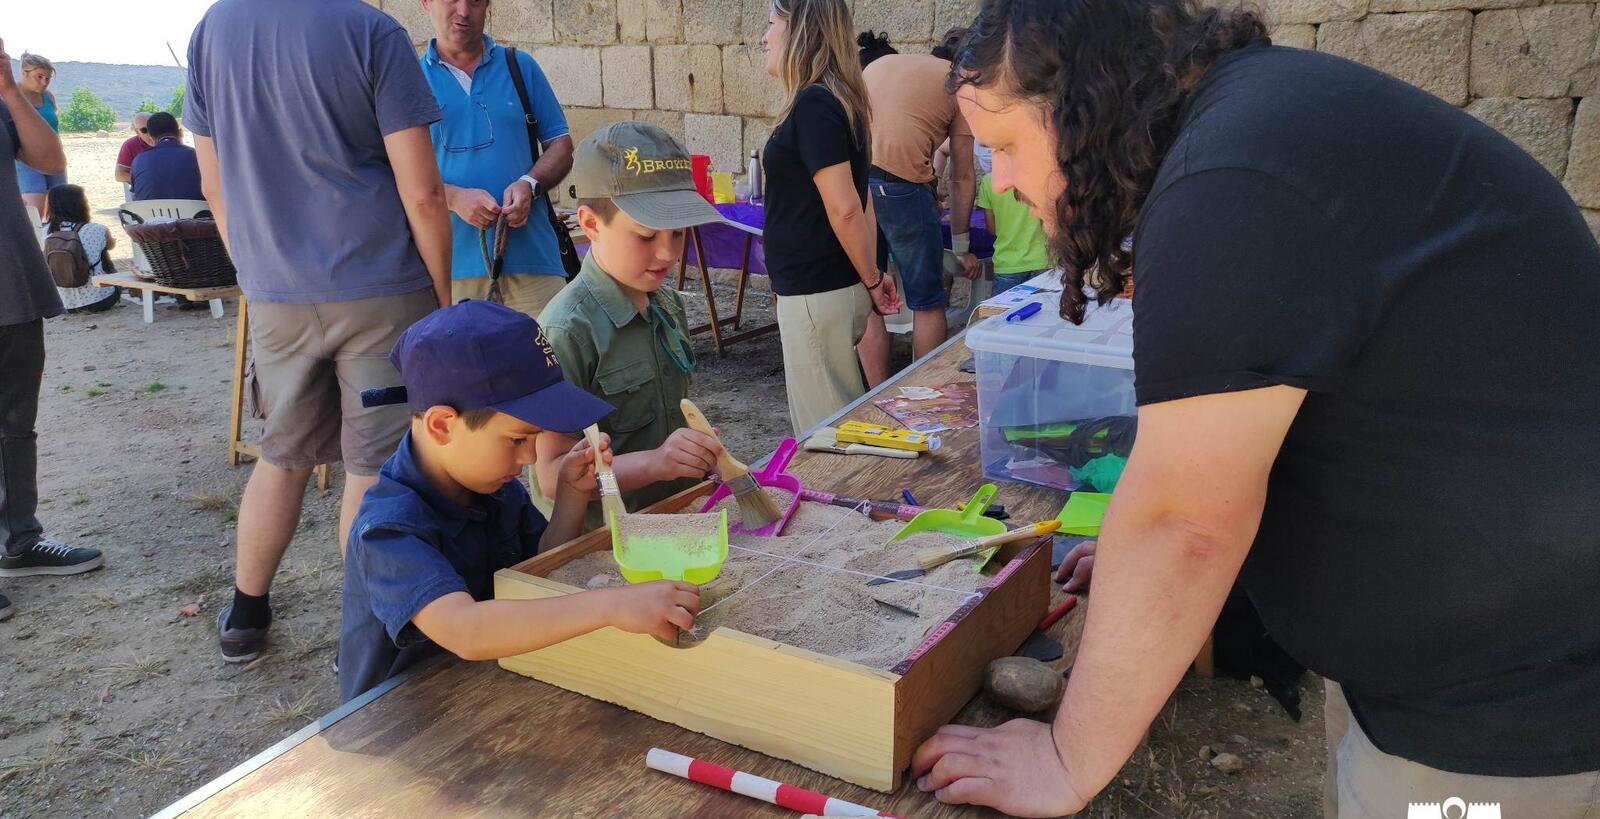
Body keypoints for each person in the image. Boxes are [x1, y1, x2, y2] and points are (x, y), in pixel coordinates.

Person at [911, 1, 1600, 817]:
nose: (998, 181)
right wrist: (1141, 581)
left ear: (1082, 107)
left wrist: (1066, 757)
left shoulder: (1224, 181)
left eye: (1004, 145)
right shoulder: (1252, 124)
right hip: (1451, 661)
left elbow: (1182, 522)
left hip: (1507, 708)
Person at [186, 0, 454, 663]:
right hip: (381, 288)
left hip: (276, 292)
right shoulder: (372, 31)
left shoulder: (213, 29)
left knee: (282, 454)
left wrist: (256, 274)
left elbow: (213, 185)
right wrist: (442, 297)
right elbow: (423, 192)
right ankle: (366, 636)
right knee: (374, 468)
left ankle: (246, 613)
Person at [338, 299, 700, 702]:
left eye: (535, 438)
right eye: (517, 439)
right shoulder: (389, 527)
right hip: (406, 709)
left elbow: (540, 565)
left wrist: (571, 496)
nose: (529, 458)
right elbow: (465, 629)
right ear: (442, 425)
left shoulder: (492, 484)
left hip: (496, 679)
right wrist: (611, 605)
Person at [535, 122, 727, 527]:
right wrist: (655, 464)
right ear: (590, 224)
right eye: (646, 236)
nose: (668, 254)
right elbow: (552, 477)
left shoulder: (667, 303)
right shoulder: (566, 331)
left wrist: (693, 452)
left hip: (676, 515)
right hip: (608, 536)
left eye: (677, 234)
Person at [0, 37, 104, 623]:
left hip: (11, 280)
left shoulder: (7, 100)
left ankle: (20, 540)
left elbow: (47, 157)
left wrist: (11, 92)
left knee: (15, 424)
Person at [760, 0, 899, 436]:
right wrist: (871, 275)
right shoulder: (836, 101)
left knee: (825, 437)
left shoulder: (814, 104)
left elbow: (847, 207)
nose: (764, 38)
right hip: (828, 290)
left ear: (799, 31)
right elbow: (861, 199)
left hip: (816, 294)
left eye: (771, 24)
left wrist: (872, 277)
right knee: (838, 425)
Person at [419, 0, 576, 319]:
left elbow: (560, 146)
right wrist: (453, 198)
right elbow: (389, 172)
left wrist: (529, 184)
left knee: (550, 350)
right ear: (425, 3)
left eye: (475, 1)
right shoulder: (410, 80)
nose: (464, 11)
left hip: (535, 264)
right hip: (448, 273)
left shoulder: (520, 67)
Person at [858, 48, 979, 385]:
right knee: (927, 301)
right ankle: (922, 395)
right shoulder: (960, 83)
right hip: (903, 187)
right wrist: (960, 248)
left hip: (855, 183)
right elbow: (962, 176)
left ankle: (876, 395)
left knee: (870, 297)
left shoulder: (885, 64)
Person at [43, 184, 120, 313]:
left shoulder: (45, 232)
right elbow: (111, 245)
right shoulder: (97, 229)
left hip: (63, 304)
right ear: (81, 204)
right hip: (101, 299)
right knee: (103, 253)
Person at [975, 171, 1048, 296]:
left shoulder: (989, 181)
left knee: (1003, 308)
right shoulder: (1042, 175)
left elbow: (992, 228)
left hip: (1007, 263)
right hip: (1043, 260)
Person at [13, 53, 61, 217]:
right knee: (35, 212)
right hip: (25, 161)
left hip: (54, 158)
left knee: (60, 211)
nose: (44, 82)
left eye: (47, 78)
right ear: (24, 73)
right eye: (39, 77)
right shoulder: (10, 96)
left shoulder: (48, 97)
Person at [129, 113, 203, 201]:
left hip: (149, 210)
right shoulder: (196, 155)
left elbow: (136, 194)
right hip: (195, 209)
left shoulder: (139, 160)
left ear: (151, 137)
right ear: (180, 132)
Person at [114, 112, 155, 185]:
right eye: (145, 130)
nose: (151, 133)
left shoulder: (167, 141)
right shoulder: (130, 145)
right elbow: (119, 175)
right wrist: (146, 179)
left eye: (153, 128)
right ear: (137, 131)